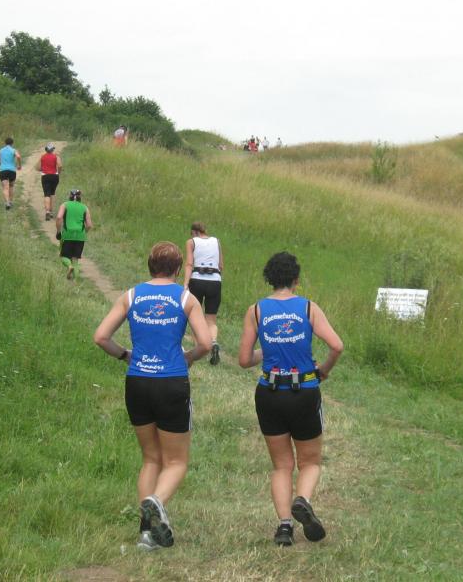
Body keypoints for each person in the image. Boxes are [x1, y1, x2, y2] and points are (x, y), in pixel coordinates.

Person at [94, 241, 212, 551]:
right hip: (171, 382)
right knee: (177, 461)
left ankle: (146, 534)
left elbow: (101, 337)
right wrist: (188, 357)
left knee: (150, 458)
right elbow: (205, 343)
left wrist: (125, 355)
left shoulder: (131, 295)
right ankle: (157, 501)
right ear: (178, 268)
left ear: (149, 265)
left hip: (137, 382)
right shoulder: (185, 298)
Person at [238, 252, 343, 547]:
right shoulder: (308, 308)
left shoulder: (256, 311)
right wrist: (323, 370)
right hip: (304, 391)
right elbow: (336, 345)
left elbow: (244, 360)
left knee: (281, 465)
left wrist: (267, 351)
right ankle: (302, 499)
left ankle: (284, 527)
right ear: (296, 279)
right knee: (310, 461)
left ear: (269, 279)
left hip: (269, 393)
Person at [183, 222, 224, 365]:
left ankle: (199, 350)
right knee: (211, 320)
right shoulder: (216, 241)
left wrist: (186, 284)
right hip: (215, 281)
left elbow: (189, 264)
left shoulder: (191, 242)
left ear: (194, 232)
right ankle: (213, 342)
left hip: (197, 280)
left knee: (196, 316)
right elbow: (221, 265)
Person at [55, 188, 92, 280]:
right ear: (80, 197)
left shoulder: (65, 205)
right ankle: (76, 281)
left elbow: (59, 217)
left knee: (64, 256)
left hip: (67, 234)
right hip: (80, 236)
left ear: (70, 196)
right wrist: (83, 233)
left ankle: (69, 266)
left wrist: (58, 231)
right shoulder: (85, 207)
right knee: (75, 259)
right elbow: (89, 225)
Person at [0, 137, 21, 210]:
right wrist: (19, 165)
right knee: (11, 186)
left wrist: (1, 163)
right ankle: (11, 202)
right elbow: (18, 156)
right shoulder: (13, 150)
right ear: (12, 143)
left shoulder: (1, 150)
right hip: (12, 170)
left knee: (5, 187)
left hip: (3, 171)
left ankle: (7, 202)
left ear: (5, 143)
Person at [39, 143, 63, 220]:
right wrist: (58, 172)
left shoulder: (42, 157)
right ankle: (51, 212)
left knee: (47, 194)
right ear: (52, 149)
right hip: (54, 176)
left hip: (45, 176)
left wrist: (43, 168)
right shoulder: (56, 156)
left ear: (46, 150)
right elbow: (60, 165)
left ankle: (47, 212)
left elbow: (38, 167)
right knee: (52, 194)